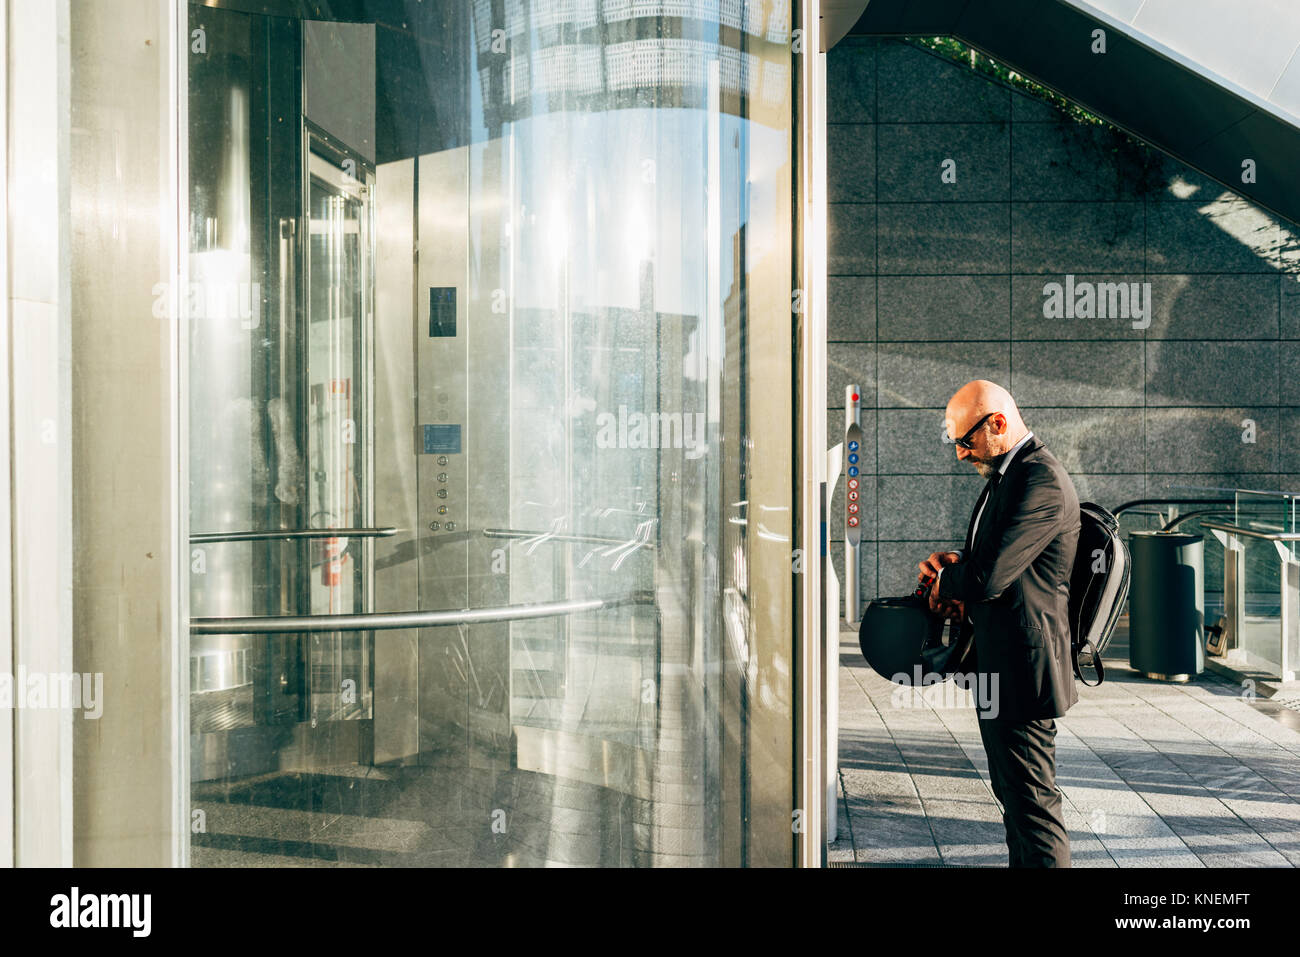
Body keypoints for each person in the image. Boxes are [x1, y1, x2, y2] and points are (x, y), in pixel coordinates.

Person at [918, 379, 1080, 868]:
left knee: (1033, 807)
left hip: (1023, 673)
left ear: (998, 423)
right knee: (1016, 801)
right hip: (1002, 665)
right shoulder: (1010, 475)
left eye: (965, 442)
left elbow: (988, 577)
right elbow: (997, 562)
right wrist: (953, 568)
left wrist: (950, 580)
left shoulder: (1040, 480)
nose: (961, 455)